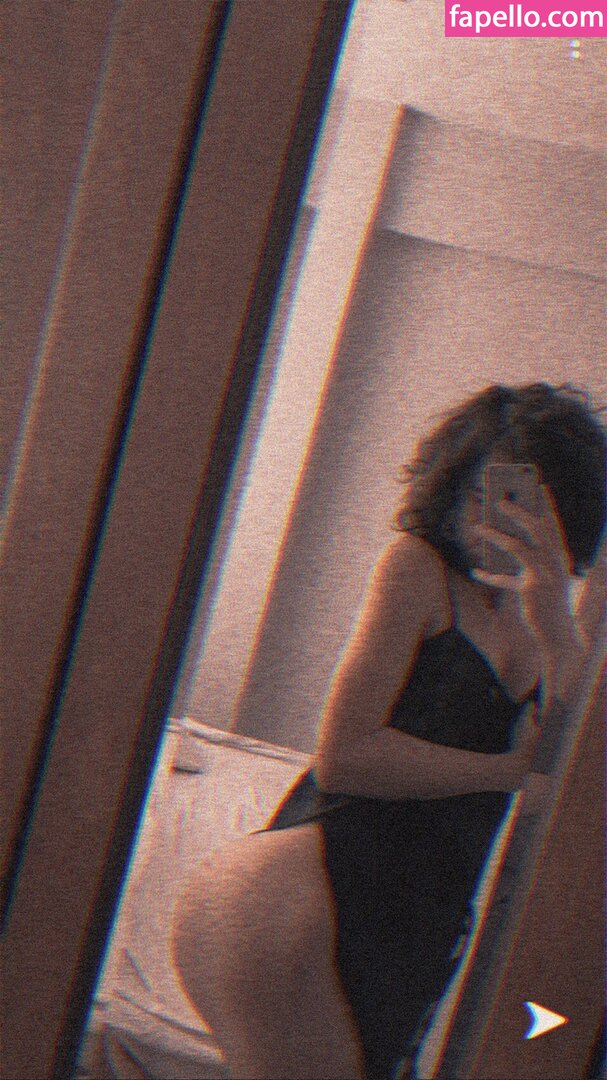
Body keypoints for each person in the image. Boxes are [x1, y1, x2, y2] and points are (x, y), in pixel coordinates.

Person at [171, 383, 606, 1080]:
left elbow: (576, 777)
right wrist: (505, 771)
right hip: (294, 895)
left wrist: (554, 616)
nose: (488, 520)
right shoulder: (416, 567)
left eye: (520, 504)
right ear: (452, 486)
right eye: (478, 494)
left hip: (409, 927)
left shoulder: (549, 625)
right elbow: (345, 758)